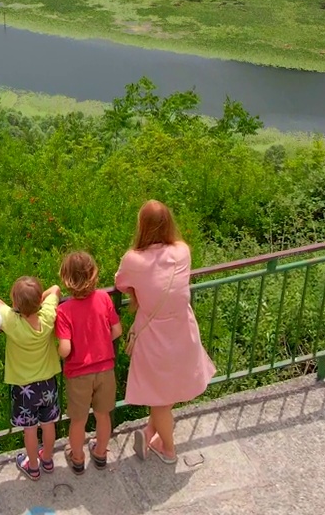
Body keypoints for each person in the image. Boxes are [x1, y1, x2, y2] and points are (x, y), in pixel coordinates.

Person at [115, 200, 216, 464]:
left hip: (154, 337)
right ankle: (152, 429)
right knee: (165, 389)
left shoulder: (133, 259)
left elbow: (120, 282)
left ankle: (167, 448)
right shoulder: (183, 251)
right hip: (183, 331)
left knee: (158, 396)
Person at [55, 251, 122, 474]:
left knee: (78, 420)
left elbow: (65, 349)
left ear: (66, 278)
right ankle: (101, 453)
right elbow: (117, 330)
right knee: (103, 416)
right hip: (105, 368)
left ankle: (77, 458)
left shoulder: (63, 311)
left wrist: (55, 351)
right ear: (93, 274)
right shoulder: (104, 298)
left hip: (79, 374)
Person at [0, 277, 62, 480]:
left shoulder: (11, 321)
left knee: (30, 430)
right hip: (48, 383)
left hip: (24, 388)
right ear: (39, 301)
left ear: (15, 304)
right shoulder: (47, 316)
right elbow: (56, 288)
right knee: (49, 424)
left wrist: (12, 307)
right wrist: (41, 299)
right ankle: (47, 458)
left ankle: (32, 466)